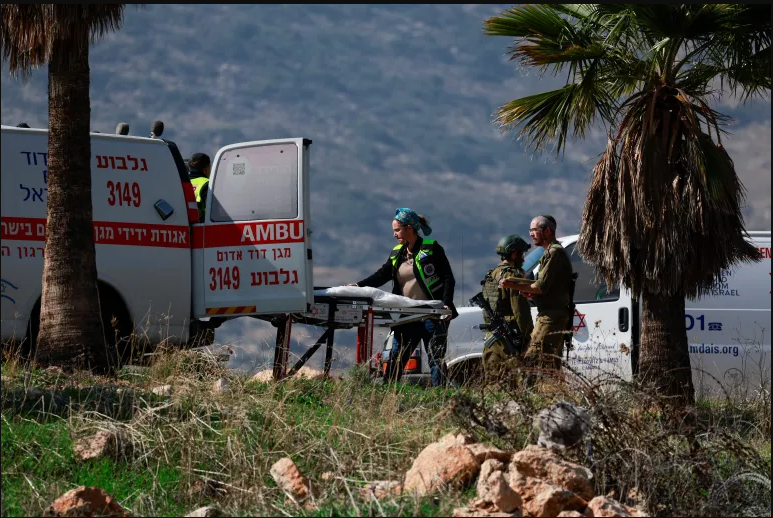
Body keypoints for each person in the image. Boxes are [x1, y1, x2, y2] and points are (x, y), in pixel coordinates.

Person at [350, 208, 457, 386]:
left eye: (397, 230)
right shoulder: (397, 252)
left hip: (432, 315)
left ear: (409, 228)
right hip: (408, 315)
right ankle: (388, 395)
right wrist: (358, 286)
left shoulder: (431, 248)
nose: (394, 234)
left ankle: (441, 396)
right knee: (396, 357)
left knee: (435, 357)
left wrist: (446, 304)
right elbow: (382, 275)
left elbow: (448, 278)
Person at [500, 215, 573, 371]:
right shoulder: (549, 253)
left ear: (546, 231)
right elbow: (542, 286)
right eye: (530, 230)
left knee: (533, 359)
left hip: (551, 317)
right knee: (548, 364)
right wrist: (523, 287)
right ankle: (549, 392)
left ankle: (533, 393)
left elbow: (540, 287)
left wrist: (512, 285)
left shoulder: (554, 252)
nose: (531, 234)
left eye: (534, 230)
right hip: (549, 314)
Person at [481, 234, 534, 382]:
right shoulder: (512, 275)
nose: (523, 259)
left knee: (494, 385)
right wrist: (529, 335)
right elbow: (520, 309)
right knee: (516, 387)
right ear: (514, 253)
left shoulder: (492, 274)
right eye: (522, 254)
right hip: (510, 340)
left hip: (493, 338)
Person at [188, 152, 211, 222]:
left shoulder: (182, 182)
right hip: (201, 228)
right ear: (206, 169)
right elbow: (213, 210)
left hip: (183, 227)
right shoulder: (207, 184)